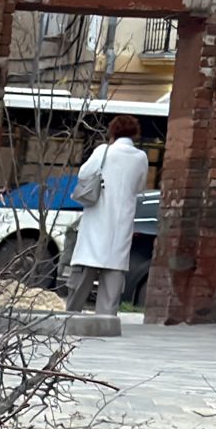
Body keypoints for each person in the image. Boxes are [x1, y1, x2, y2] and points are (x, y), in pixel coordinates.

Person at [65, 116, 148, 317]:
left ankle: (72, 314)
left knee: (85, 271)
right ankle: (106, 320)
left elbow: (84, 174)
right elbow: (139, 186)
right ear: (134, 134)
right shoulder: (141, 157)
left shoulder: (103, 151)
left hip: (97, 219)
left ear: (113, 132)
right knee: (113, 274)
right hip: (121, 224)